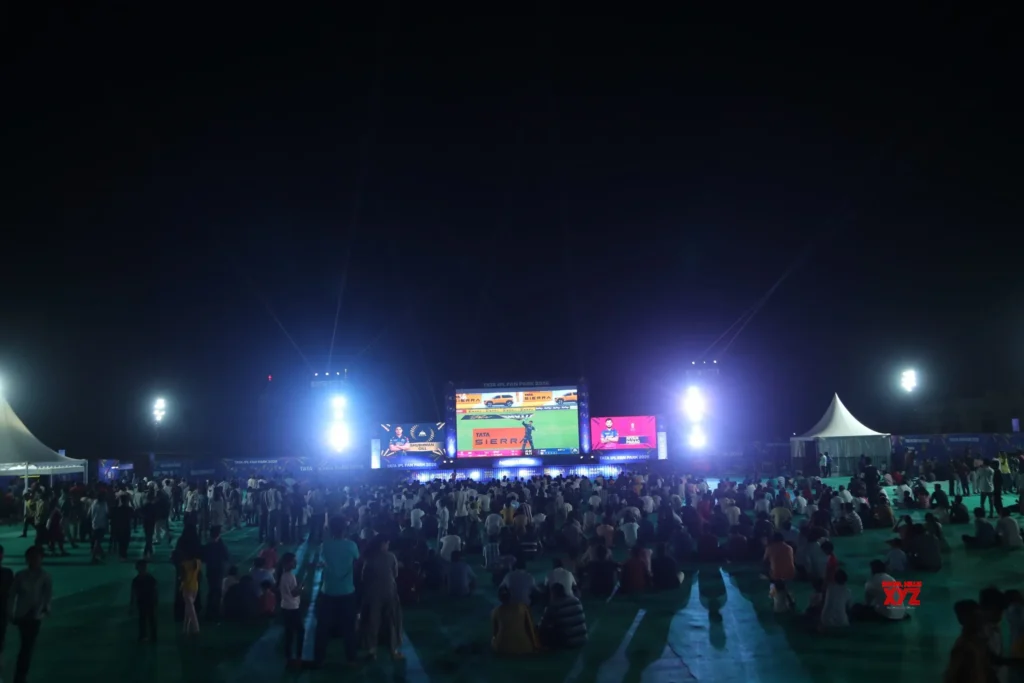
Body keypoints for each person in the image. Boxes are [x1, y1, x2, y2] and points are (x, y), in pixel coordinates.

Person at [313, 517, 360, 668]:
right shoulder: (351, 545)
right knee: (349, 628)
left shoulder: (325, 546)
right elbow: (357, 560)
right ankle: (351, 659)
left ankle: (319, 659)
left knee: (322, 628)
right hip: (347, 591)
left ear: (331, 530)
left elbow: (321, 561)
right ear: (344, 530)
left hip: (328, 591)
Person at [8, 546, 52, 683]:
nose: (34, 561)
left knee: (26, 646)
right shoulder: (20, 575)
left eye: (36, 558)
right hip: (22, 615)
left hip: (35, 615)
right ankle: (20, 676)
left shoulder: (45, 576)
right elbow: (12, 595)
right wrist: (10, 612)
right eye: (31, 558)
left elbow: (48, 594)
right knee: (26, 646)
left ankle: (20, 676)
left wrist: (46, 608)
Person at [360, 535, 404, 661]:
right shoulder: (391, 556)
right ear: (382, 544)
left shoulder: (369, 558)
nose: (388, 546)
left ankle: (372, 651)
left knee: (372, 622)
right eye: (387, 543)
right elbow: (395, 574)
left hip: (372, 594)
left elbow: (364, 577)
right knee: (392, 621)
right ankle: (393, 650)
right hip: (389, 592)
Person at [130, 560, 159, 642]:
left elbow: (133, 594)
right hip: (149, 601)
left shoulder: (136, 580)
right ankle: (152, 636)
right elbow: (155, 591)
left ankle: (143, 636)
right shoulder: (151, 579)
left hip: (143, 602)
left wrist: (132, 605)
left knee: (143, 619)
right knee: (150, 619)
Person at [181, 552, 203, 635]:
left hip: (187, 587)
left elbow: (183, 577)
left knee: (190, 609)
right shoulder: (198, 562)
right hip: (195, 586)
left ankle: (195, 628)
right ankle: (186, 628)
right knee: (189, 608)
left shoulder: (184, 564)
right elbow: (199, 574)